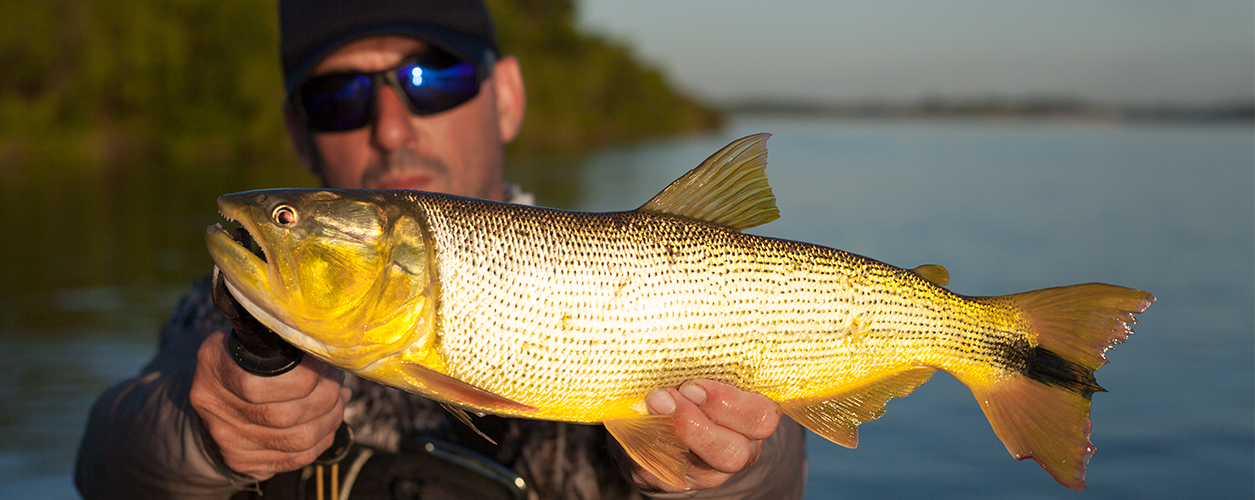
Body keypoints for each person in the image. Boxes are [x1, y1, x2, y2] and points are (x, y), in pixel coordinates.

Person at [75, 0, 808, 498]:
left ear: (508, 97)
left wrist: (734, 463)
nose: (391, 127)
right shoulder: (244, 311)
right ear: (299, 134)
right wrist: (203, 429)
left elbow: (778, 476)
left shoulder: (631, 272)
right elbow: (108, 465)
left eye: (433, 78)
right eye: (340, 97)